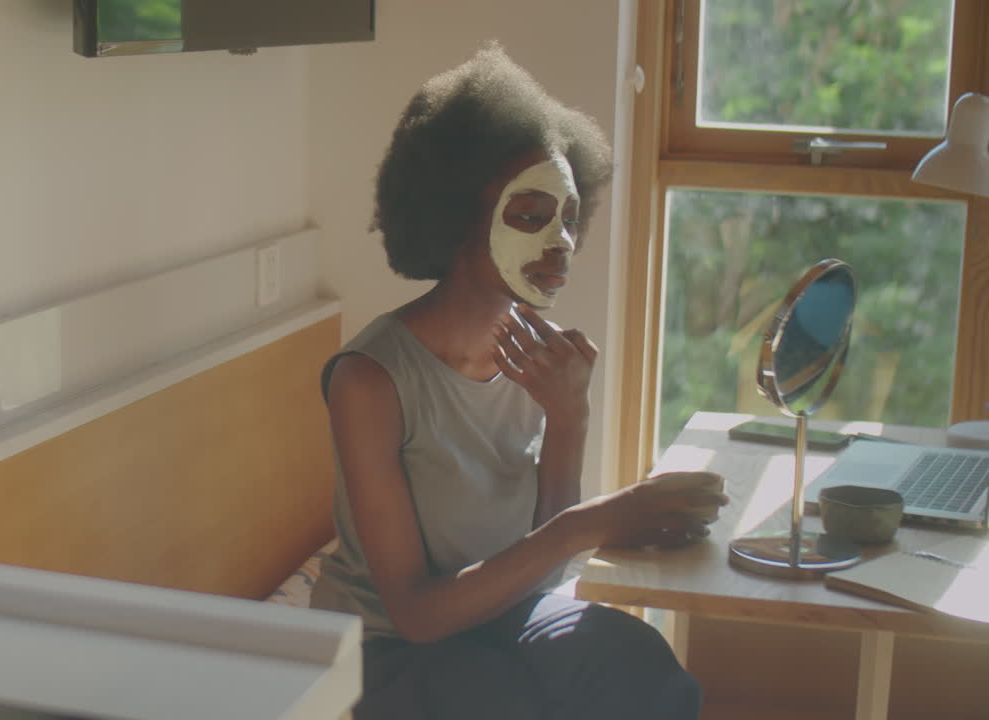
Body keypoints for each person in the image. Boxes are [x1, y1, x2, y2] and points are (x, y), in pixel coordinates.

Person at [308, 44, 730, 720]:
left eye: (566, 217)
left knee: (635, 663)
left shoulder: (545, 359)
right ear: (454, 221)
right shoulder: (370, 380)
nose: (560, 241)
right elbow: (416, 614)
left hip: (500, 616)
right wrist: (592, 522)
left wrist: (570, 418)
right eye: (531, 215)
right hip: (384, 647)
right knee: (504, 701)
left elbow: (548, 566)